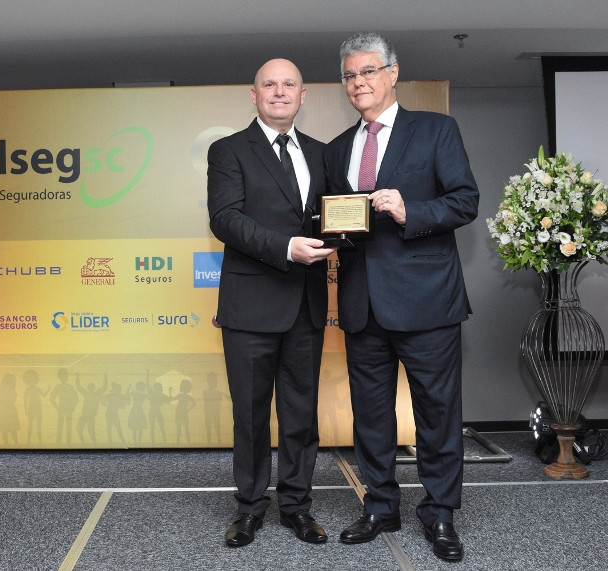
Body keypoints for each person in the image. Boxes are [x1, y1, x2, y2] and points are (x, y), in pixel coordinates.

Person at [325, 33, 479, 562]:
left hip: (427, 302)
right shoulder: (338, 147)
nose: (358, 82)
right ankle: (380, 506)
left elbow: (465, 201)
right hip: (361, 303)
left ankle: (440, 512)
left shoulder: (437, 130)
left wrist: (409, 209)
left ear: (393, 73)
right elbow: (337, 220)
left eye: (368, 71)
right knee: (370, 416)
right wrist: (328, 233)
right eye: (350, 75)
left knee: (437, 413)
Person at [207, 58, 337, 547]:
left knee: (302, 416)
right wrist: (285, 247)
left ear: (303, 96)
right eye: (269, 84)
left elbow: (333, 218)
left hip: (306, 304)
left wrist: (354, 227)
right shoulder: (228, 150)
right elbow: (225, 219)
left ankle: (297, 507)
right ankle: (249, 508)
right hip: (250, 306)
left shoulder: (323, 154)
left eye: (289, 85)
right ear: (254, 95)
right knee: (251, 415)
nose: (279, 92)